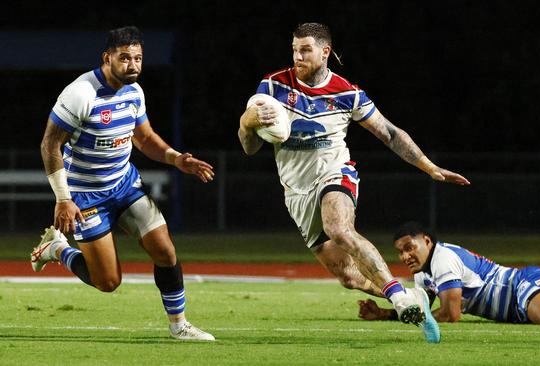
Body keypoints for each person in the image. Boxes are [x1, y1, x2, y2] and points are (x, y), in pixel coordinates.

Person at [238, 22, 468, 341]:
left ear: (325, 52)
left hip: (335, 172)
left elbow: (389, 133)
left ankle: (400, 301)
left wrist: (428, 166)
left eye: (305, 50)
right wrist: (246, 123)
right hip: (296, 190)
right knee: (349, 276)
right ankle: (412, 297)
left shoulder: (347, 92)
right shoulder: (273, 86)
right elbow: (250, 148)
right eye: (294, 49)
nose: (297, 56)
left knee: (340, 229)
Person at [31, 26, 215, 341]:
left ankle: (179, 325)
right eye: (125, 58)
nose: (133, 65)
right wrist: (63, 198)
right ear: (107, 58)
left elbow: (144, 138)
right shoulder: (81, 93)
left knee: (165, 251)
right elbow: (50, 146)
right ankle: (58, 248)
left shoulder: (134, 91)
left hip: (125, 186)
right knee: (107, 282)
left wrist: (175, 158)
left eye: (138, 58)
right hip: (85, 197)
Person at [357, 221, 540, 326]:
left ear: (427, 241)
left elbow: (451, 314)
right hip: (521, 300)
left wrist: (420, 319)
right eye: (400, 251)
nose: (405, 256)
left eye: (410, 247)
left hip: (522, 287)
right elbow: (424, 309)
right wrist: (386, 313)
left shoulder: (443, 258)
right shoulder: (425, 272)